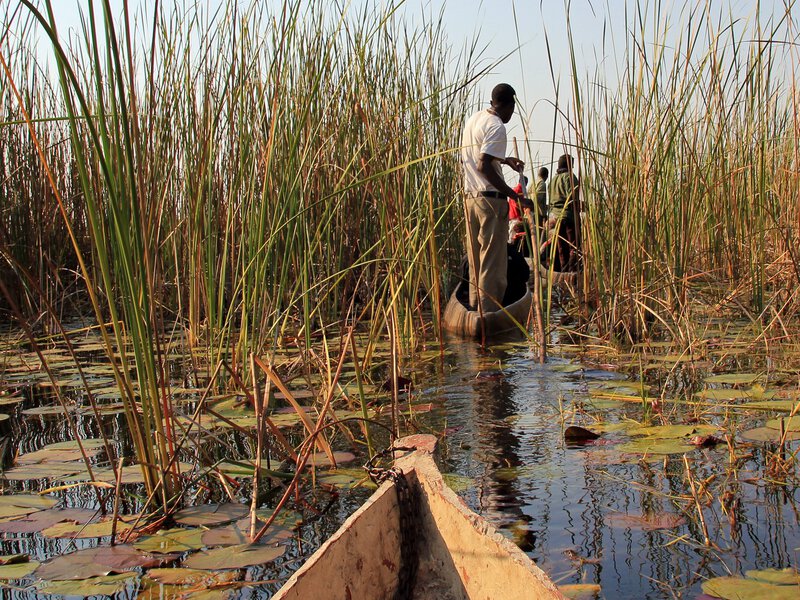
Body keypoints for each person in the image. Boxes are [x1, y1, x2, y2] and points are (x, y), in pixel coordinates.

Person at [460, 83, 528, 312]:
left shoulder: (475, 119)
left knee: (475, 260)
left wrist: (504, 159)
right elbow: (483, 165)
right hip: (490, 201)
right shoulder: (497, 125)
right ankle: (488, 312)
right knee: (492, 261)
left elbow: (479, 158)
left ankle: (473, 306)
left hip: (470, 198)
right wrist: (514, 196)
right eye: (513, 109)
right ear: (509, 105)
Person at [545, 154, 580, 272]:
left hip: (556, 217)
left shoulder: (553, 180)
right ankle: (573, 273)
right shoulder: (569, 177)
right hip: (569, 217)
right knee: (574, 247)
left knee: (561, 248)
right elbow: (573, 198)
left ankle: (563, 274)